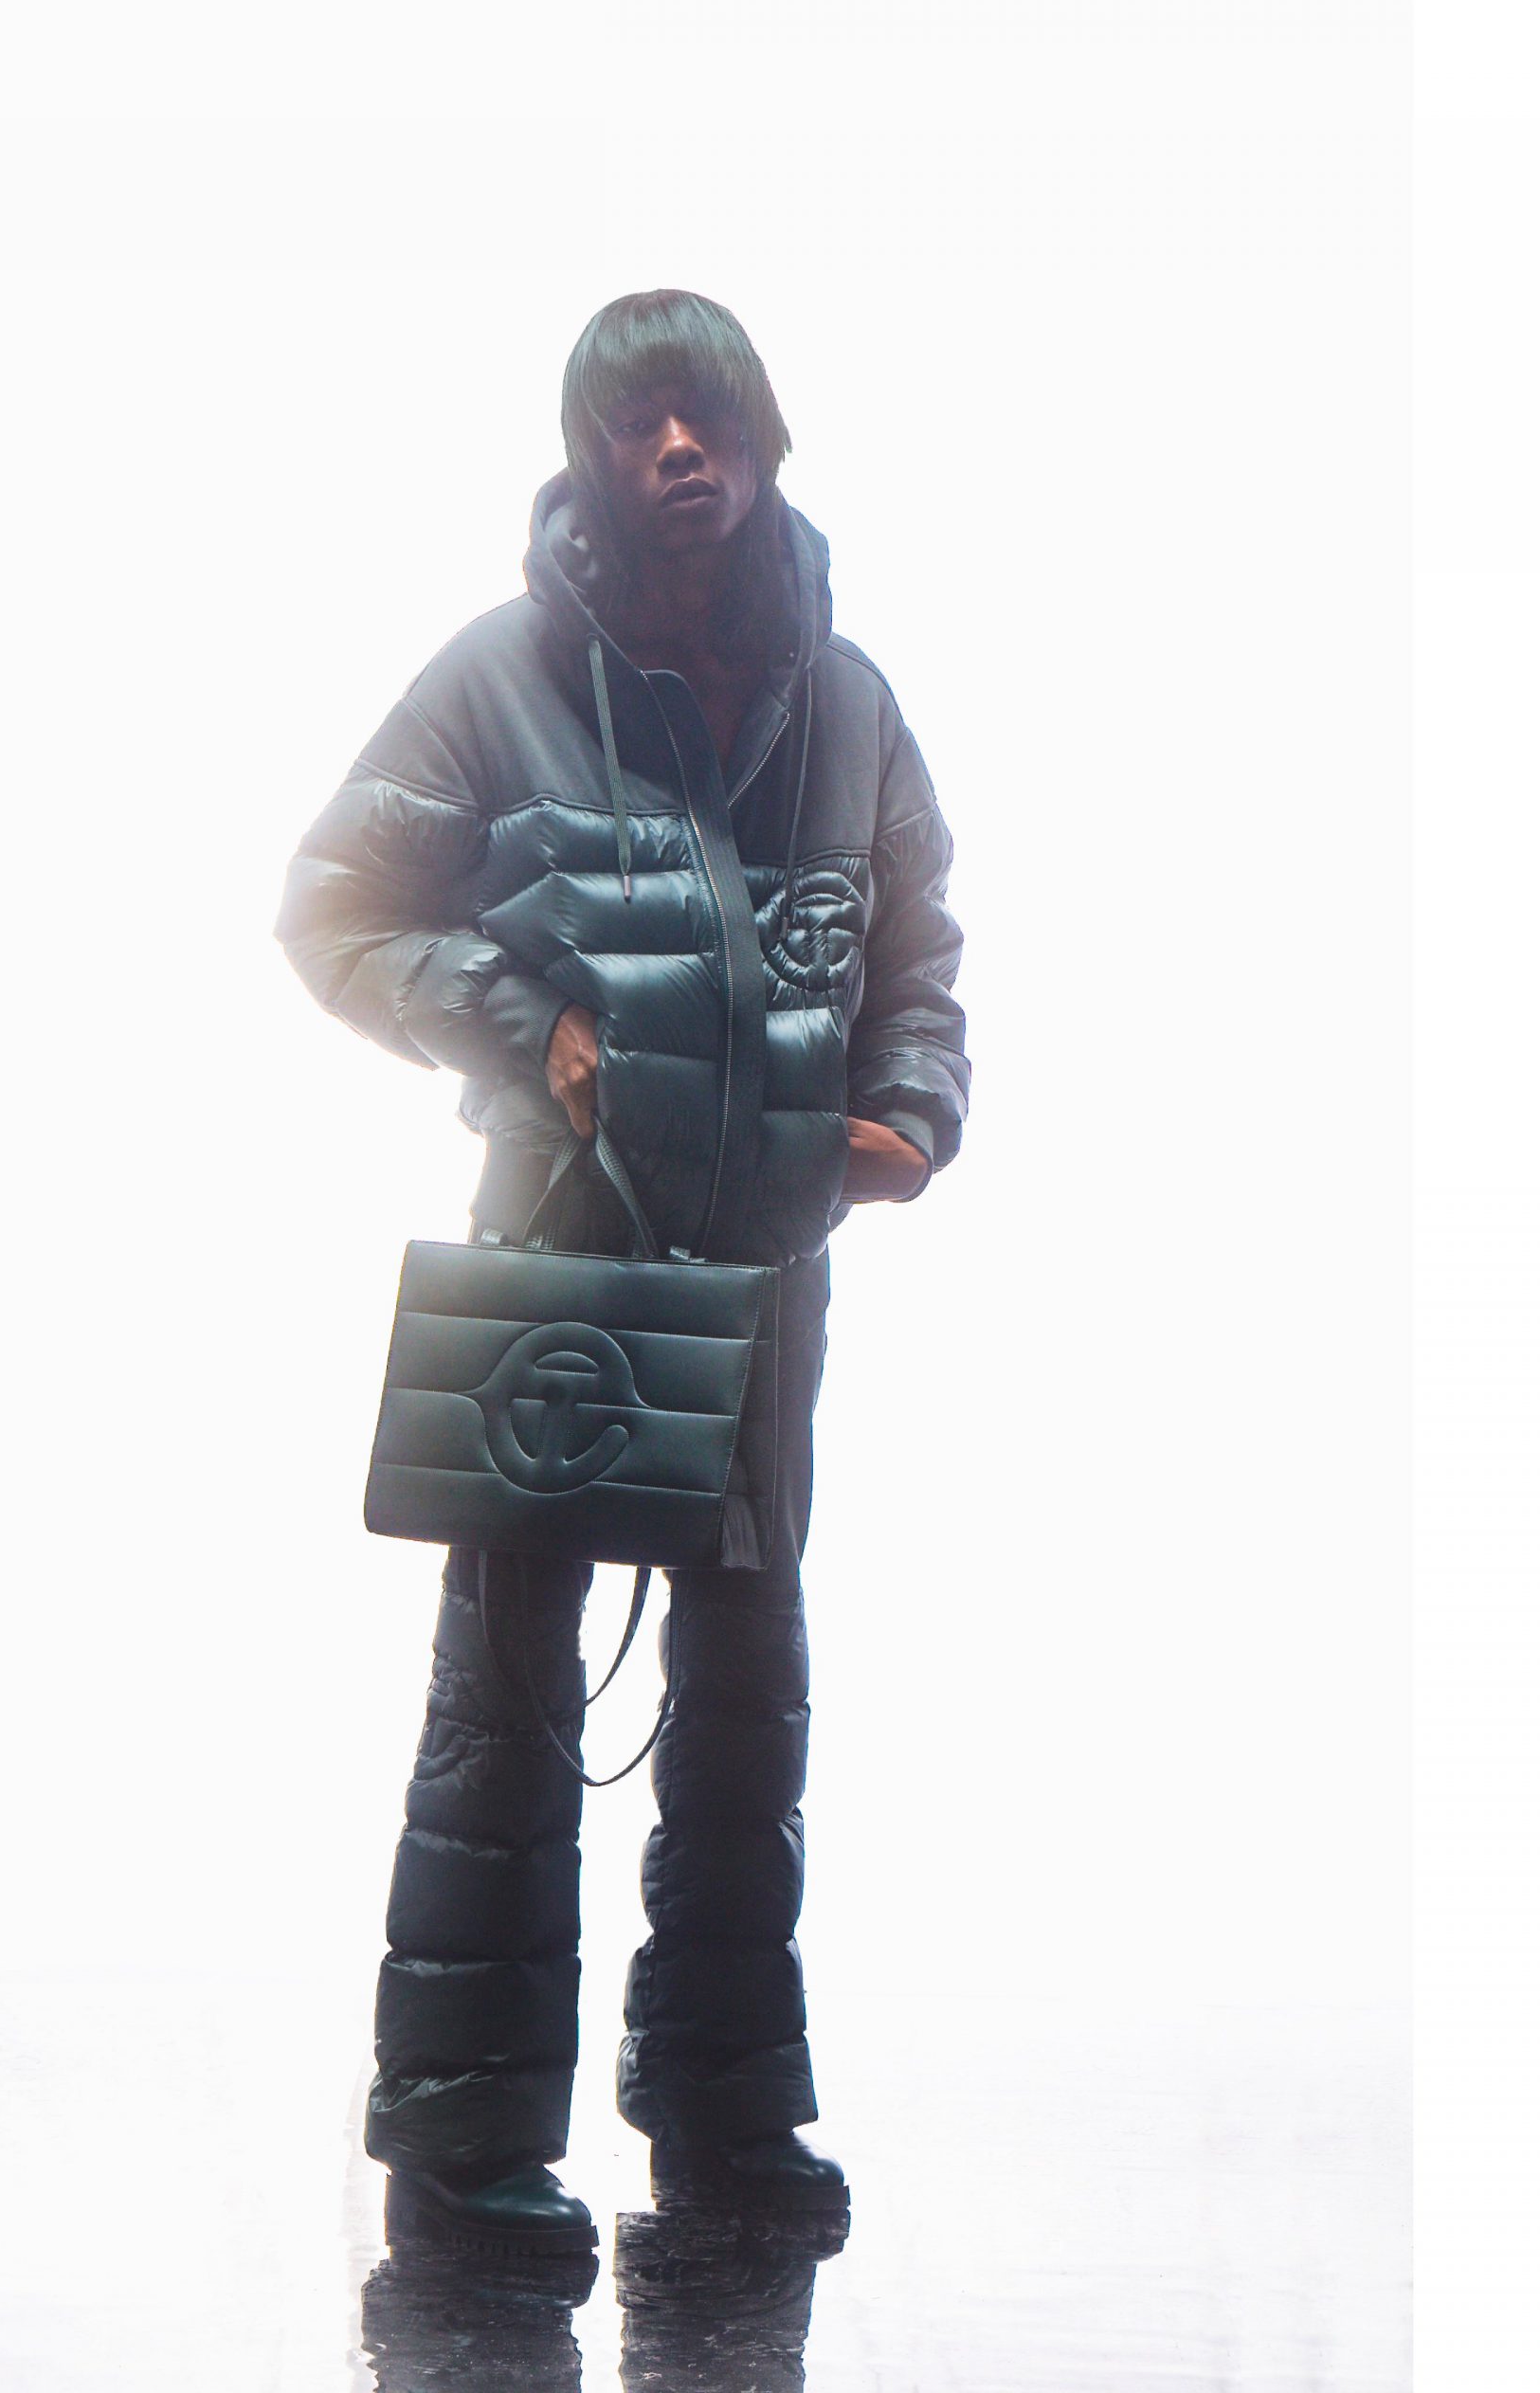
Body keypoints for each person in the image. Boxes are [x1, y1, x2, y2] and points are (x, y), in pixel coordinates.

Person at [275, 289, 971, 2258]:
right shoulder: (495, 678)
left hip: (768, 1263)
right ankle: (459, 2143)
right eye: (636, 420)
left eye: (706, 412)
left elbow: (917, 944)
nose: (677, 447)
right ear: (589, 458)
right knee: (507, 1688)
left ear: (762, 435)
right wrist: (533, 1026)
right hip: (560, 1251)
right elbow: (332, 908)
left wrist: (908, 1115)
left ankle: (726, 2119)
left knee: (747, 1688)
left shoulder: (848, 703)